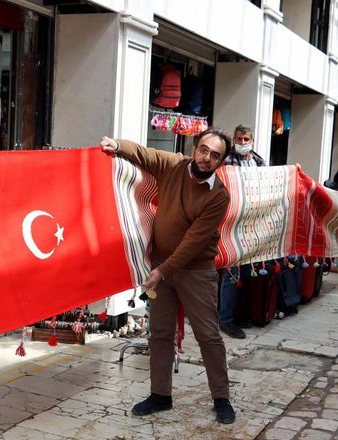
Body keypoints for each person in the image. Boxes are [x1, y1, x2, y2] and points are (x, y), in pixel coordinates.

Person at [99, 129, 236, 424]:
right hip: (161, 267)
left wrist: (161, 271)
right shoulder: (174, 165)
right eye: (203, 150)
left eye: (215, 155)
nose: (206, 158)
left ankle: (221, 398)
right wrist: (117, 146)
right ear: (194, 148)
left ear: (221, 162)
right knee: (160, 333)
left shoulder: (219, 196)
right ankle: (160, 396)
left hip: (195, 271)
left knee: (208, 336)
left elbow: (192, 244)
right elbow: (144, 154)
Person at [218, 125, 265, 339]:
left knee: (246, 272)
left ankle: (239, 314)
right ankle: (225, 319)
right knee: (231, 273)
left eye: (246, 139)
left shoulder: (259, 161)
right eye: (239, 138)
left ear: (252, 140)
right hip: (230, 224)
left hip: (251, 224)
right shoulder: (226, 161)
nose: (243, 142)